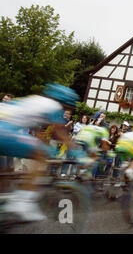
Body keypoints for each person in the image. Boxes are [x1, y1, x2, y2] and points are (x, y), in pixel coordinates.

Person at [0, 83, 80, 221]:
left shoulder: (36, 100)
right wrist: (80, 154)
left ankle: (3, 199)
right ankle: (22, 201)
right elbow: (60, 132)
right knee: (41, 154)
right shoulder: (54, 106)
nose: (67, 110)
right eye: (68, 107)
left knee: (6, 169)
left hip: (5, 129)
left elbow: (36, 128)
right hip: (5, 133)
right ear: (63, 102)